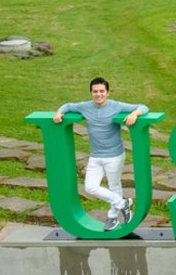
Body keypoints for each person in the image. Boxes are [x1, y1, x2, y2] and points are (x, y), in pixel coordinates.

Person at [53, 77, 148, 231]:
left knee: (114, 185)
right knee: (90, 188)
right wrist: (59, 112)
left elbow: (143, 107)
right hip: (95, 156)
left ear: (107, 93)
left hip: (114, 155)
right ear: (91, 93)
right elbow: (68, 106)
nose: (98, 94)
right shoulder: (85, 107)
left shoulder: (116, 106)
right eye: (95, 91)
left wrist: (135, 114)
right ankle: (123, 204)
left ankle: (112, 217)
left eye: (102, 91)